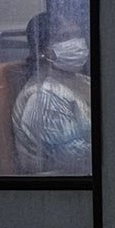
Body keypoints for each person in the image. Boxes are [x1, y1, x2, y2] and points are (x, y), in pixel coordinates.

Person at [12, 12, 92, 175]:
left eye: (77, 35)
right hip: (62, 189)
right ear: (42, 50)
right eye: (64, 37)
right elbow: (74, 158)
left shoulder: (80, 80)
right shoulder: (44, 96)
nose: (76, 43)